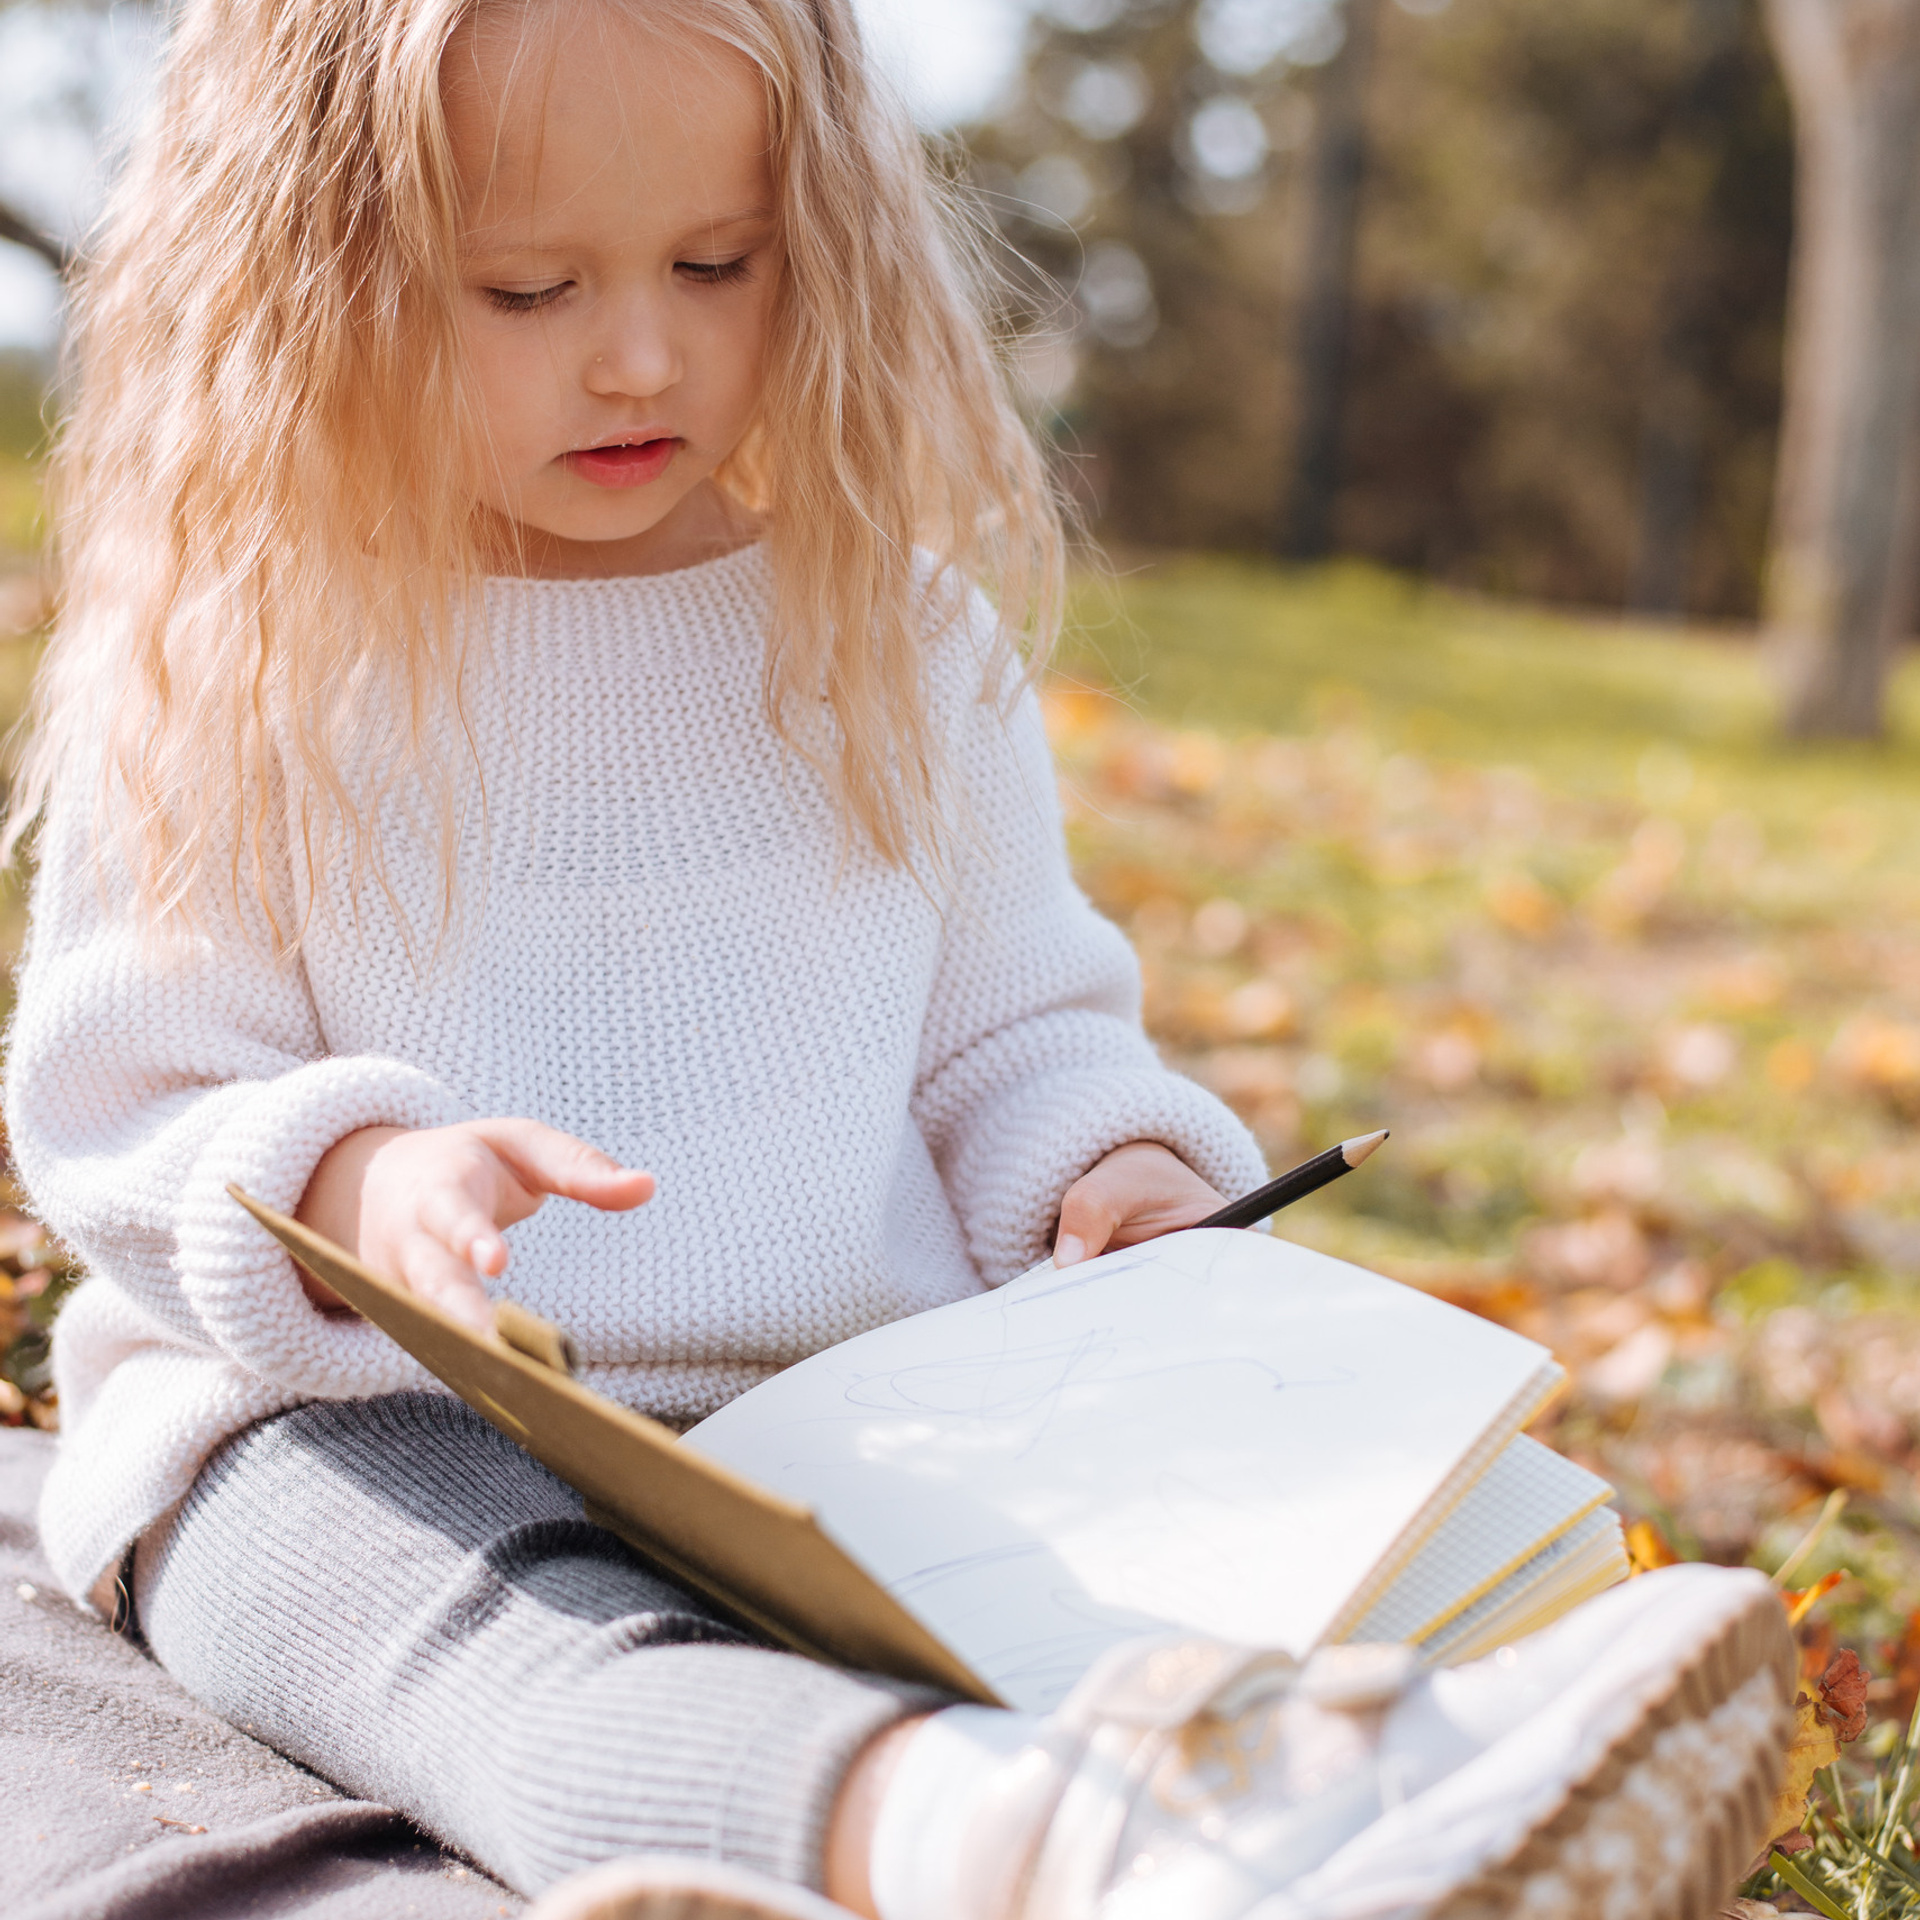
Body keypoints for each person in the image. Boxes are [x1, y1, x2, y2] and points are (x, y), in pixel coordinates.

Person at [4, 0, 1793, 1915]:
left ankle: (1407, 1768)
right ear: (311, 276)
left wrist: (1115, 1177)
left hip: (852, 1453)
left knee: (1256, 1543)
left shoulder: (892, 639)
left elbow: (1015, 1040)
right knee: (452, 1629)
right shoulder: (241, 659)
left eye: (718, 265)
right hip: (364, 1437)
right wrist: (354, 1182)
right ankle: (1004, 1838)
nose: (640, 354)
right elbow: (127, 1097)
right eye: (524, 289)